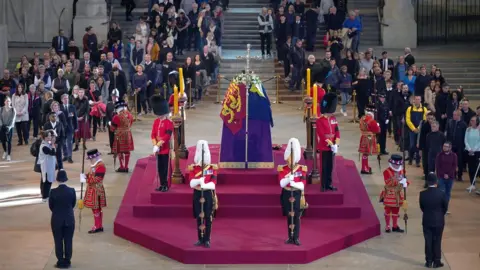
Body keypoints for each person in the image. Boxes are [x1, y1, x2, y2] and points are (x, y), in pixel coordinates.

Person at [187, 140, 218, 248]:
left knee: (208, 217)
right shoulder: (194, 168)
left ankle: (207, 239)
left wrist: (202, 184)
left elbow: (213, 184)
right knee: (199, 217)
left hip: (208, 195)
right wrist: (199, 182)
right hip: (197, 194)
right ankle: (200, 239)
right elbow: (191, 183)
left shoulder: (211, 168)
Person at [278, 138, 306, 246]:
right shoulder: (282, 169)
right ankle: (290, 236)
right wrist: (288, 179)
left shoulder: (301, 169)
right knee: (289, 216)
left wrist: (293, 183)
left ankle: (296, 237)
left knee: (297, 216)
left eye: (292, 156)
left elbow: (303, 184)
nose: (290, 159)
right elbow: (281, 183)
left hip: (297, 193)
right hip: (286, 193)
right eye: (289, 156)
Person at [49, 169, 76, 269]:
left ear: (57, 180)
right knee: (68, 240)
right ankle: (67, 260)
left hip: (56, 219)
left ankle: (60, 261)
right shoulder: (72, 191)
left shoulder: (53, 192)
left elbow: (51, 206)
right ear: (66, 179)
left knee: (58, 240)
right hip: (69, 218)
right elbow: (73, 204)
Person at [419, 173, 447, 268]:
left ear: (427, 182)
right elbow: (445, 208)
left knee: (428, 241)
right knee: (437, 240)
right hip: (439, 221)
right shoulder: (442, 193)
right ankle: (437, 261)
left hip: (427, 220)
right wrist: (440, 214)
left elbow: (422, 207)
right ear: (436, 182)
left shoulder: (422, 194)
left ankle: (428, 261)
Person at [316, 93, 340, 191]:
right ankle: (323, 185)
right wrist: (331, 144)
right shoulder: (320, 121)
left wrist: (336, 144)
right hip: (324, 146)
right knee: (324, 167)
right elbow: (321, 135)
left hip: (333, 146)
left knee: (330, 167)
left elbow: (337, 131)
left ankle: (329, 183)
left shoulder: (333, 119)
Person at [80, 149, 107, 234]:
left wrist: (86, 178)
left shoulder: (100, 166)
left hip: (96, 190)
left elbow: (97, 179)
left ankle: (98, 226)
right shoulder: (95, 165)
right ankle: (98, 225)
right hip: (93, 189)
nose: (90, 160)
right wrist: (86, 175)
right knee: (96, 208)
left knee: (96, 208)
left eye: (91, 159)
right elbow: (92, 175)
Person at [150, 95, 174, 192]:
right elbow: (153, 134)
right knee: (160, 168)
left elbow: (167, 136)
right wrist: (155, 144)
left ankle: (166, 184)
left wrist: (158, 144)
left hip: (165, 148)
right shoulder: (156, 121)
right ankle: (161, 183)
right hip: (158, 149)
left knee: (166, 169)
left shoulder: (169, 122)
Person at [380, 154, 408, 233]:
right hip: (389, 193)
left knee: (396, 210)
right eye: (395, 165)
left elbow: (406, 181)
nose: (396, 166)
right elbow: (387, 182)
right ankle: (387, 226)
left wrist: (405, 183)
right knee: (388, 210)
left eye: (397, 165)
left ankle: (395, 226)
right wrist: (398, 180)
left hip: (398, 194)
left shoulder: (402, 171)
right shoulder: (386, 171)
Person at [109, 100, 134, 173]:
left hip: (119, 135)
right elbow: (131, 124)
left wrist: (110, 124)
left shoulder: (116, 116)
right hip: (128, 134)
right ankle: (126, 167)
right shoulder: (130, 115)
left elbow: (112, 129)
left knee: (119, 151)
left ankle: (122, 166)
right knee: (127, 151)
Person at [445, 110, 467, 182]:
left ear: (459, 115)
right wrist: (448, 143)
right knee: (451, 160)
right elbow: (448, 133)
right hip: (451, 145)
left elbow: (465, 136)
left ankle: (459, 175)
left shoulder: (463, 124)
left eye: (455, 115)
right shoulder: (450, 122)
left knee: (459, 161)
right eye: (453, 114)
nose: (453, 116)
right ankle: (452, 174)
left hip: (460, 146)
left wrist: (464, 145)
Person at [358, 105, 380, 174]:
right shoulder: (372, 120)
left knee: (364, 154)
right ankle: (364, 168)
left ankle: (365, 166)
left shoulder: (362, 118)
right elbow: (377, 130)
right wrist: (378, 126)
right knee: (366, 154)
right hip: (369, 138)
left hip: (363, 136)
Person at [405, 96, 427, 166]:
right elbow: (408, 120)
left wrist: (418, 128)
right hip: (412, 130)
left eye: (419, 99)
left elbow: (424, 119)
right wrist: (414, 129)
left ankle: (417, 161)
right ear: (414, 100)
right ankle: (410, 158)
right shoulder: (409, 109)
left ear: (421, 100)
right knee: (412, 145)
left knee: (419, 146)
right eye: (416, 99)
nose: (417, 101)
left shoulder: (424, 109)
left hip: (420, 130)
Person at [38, 129, 57, 201]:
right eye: (49, 136)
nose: (50, 137)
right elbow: (52, 153)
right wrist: (52, 144)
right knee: (47, 181)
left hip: (48, 166)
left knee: (44, 180)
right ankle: (45, 197)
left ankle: (44, 194)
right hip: (46, 167)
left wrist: (52, 143)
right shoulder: (44, 147)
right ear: (45, 138)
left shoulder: (46, 144)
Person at [464, 116, 480, 192]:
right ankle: (472, 184)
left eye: (473, 120)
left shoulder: (479, 130)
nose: (471, 122)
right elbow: (465, 139)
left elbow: (479, 142)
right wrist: (469, 149)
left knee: (477, 168)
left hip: (477, 152)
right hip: (469, 151)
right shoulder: (468, 129)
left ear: (477, 121)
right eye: (471, 120)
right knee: (470, 168)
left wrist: (474, 149)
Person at [61, 94, 77, 164]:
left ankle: (70, 156)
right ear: (62, 100)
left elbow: (75, 118)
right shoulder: (59, 107)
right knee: (63, 143)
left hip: (70, 128)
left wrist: (76, 127)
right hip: (62, 128)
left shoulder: (72, 107)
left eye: (67, 98)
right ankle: (65, 155)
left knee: (69, 142)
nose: (66, 100)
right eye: (64, 98)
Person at [0, 97, 16, 161]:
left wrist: (9, 127)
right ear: (4, 102)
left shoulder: (13, 109)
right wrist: (2, 125)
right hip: (2, 127)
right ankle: (5, 151)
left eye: (9, 101)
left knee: (9, 141)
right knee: (3, 141)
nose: (8, 102)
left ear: (11, 102)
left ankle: (9, 155)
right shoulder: (1, 109)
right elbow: (0, 119)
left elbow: (13, 119)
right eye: (6, 101)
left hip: (10, 128)